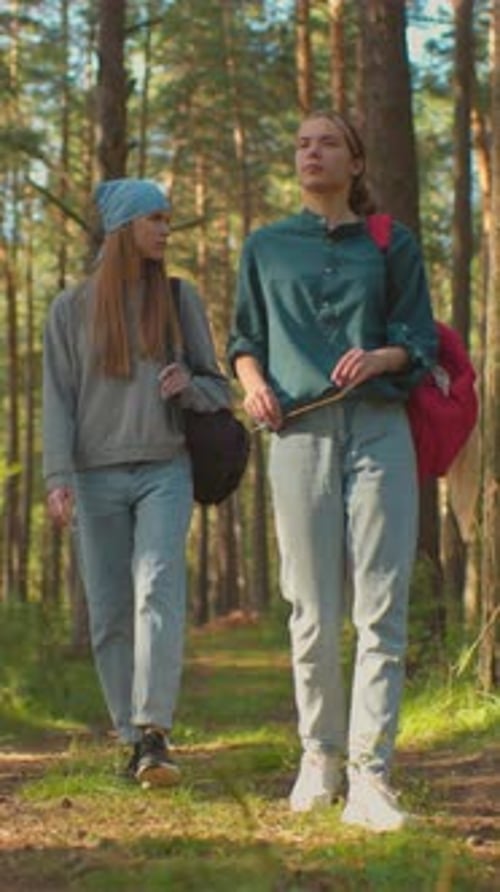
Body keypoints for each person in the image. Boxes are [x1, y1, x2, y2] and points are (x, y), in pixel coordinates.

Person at [227, 111, 437, 831]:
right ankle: (319, 757)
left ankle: (371, 778)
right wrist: (250, 381)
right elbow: (243, 340)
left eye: (326, 143)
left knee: (381, 607)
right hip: (298, 435)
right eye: (301, 144)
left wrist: (383, 356)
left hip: (380, 428)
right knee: (311, 612)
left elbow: (419, 339)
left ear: (355, 161)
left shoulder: (392, 243)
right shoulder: (266, 245)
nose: (311, 152)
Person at [43, 177, 230, 787]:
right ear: (125, 227)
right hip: (94, 477)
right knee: (109, 611)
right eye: (154, 219)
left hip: (164, 468)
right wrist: (57, 475)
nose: (165, 230)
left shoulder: (179, 300)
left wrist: (190, 386)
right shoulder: (70, 309)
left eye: (167, 220)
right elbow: (58, 401)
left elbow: (217, 387)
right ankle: (130, 739)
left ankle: (154, 731)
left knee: (156, 587)